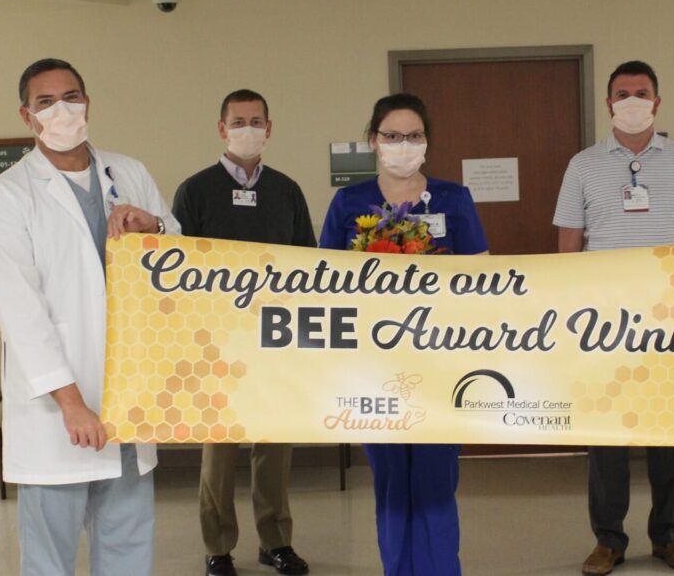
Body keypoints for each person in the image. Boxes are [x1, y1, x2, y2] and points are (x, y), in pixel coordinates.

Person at [0, 58, 180, 576]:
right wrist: (71, 404)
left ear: (89, 103)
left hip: (129, 393)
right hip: (59, 412)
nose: (62, 109)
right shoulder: (9, 194)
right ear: (27, 116)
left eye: (72, 96)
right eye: (46, 102)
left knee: (128, 550)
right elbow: (21, 311)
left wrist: (154, 225)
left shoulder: (128, 172)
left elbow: (183, 259)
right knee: (50, 558)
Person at [553, 60, 674, 575]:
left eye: (641, 92)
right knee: (606, 439)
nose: (631, 100)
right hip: (606, 326)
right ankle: (609, 540)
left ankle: (669, 537)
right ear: (608, 104)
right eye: (622, 93)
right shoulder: (582, 165)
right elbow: (568, 251)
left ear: (657, 102)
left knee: (672, 436)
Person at [319, 93, 488, 576]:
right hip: (373, 366)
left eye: (413, 135)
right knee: (392, 480)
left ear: (427, 143)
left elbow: (482, 277)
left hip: (441, 361)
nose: (402, 144)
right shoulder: (349, 202)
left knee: (435, 479)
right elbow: (322, 279)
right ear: (374, 141)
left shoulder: (453, 199)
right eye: (392, 135)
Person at [173, 89, 314, 576]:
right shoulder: (195, 191)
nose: (248, 129)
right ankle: (218, 547)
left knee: (274, 447)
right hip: (217, 342)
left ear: (269, 129)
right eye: (239, 121)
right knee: (218, 452)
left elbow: (308, 264)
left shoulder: (287, 191)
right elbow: (179, 268)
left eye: (257, 121)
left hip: (274, 339)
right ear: (221, 128)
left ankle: (275, 542)